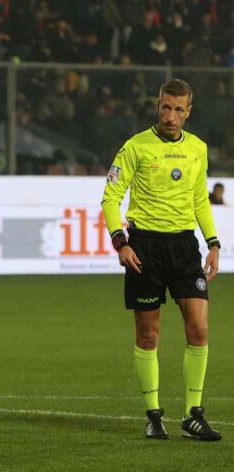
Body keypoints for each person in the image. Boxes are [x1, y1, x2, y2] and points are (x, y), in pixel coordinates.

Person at [101, 78, 222, 441]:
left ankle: (193, 415)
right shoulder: (135, 147)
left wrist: (213, 243)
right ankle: (154, 416)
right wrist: (121, 242)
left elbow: (200, 199)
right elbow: (111, 198)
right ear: (158, 106)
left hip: (185, 248)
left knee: (199, 329)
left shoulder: (197, 149)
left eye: (178, 109)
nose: (170, 116)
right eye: (165, 107)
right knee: (149, 334)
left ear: (189, 112)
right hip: (146, 247)